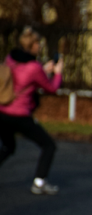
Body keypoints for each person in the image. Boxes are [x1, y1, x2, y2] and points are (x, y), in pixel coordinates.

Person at [0, 26, 63, 195]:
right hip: (19, 115)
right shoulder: (34, 67)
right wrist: (57, 73)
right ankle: (40, 181)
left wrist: (43, 70)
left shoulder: (11, 58)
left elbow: (21, 77)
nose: (40, 46)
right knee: (49, 145)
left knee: (8, 146)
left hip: (2, 112)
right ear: (33, 46)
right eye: (38, 43)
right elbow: (51, 88)